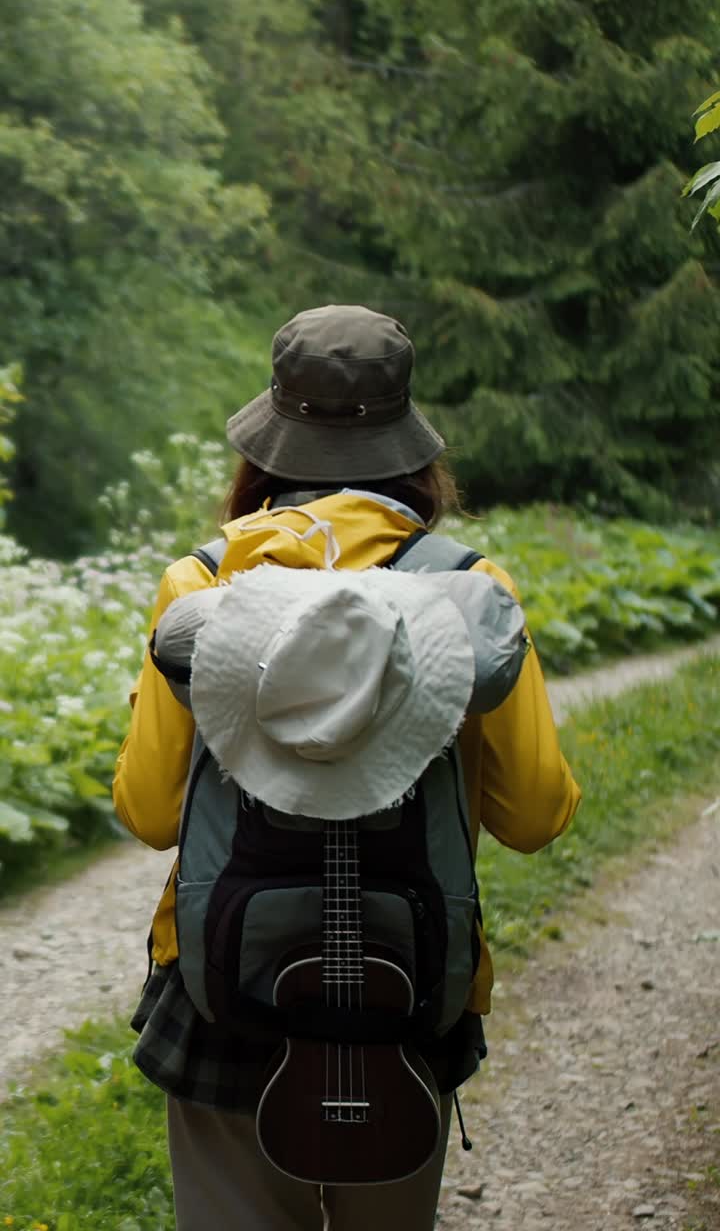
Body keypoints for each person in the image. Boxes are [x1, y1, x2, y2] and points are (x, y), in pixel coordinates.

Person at [113, 303, 581, 1231]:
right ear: (412, 449)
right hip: (401, 988)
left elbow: (152, 814)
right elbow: (532, 817)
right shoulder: (469, 590)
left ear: (271, 443)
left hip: (226, 987)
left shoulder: (203, 585)